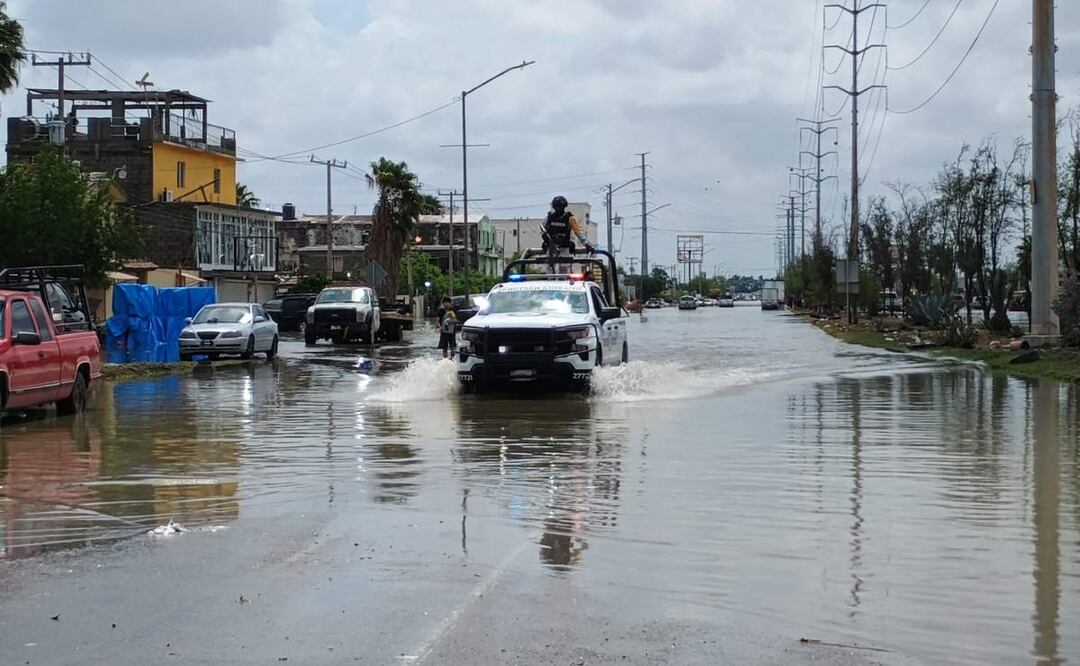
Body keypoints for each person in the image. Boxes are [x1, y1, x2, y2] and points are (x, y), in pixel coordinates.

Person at [542, 196, 591, 268]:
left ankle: (563, 275)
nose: (559, 209)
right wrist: (545, 237)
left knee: (564, 268)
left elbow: (578, 231)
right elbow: (542, 229)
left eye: (561, 207)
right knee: (550, 268)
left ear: (564, 207)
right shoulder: (549, 218)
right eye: (557, 207)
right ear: (554, 207)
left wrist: (586, 244)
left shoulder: (569, 218)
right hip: (551, 247)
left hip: (564, 247)